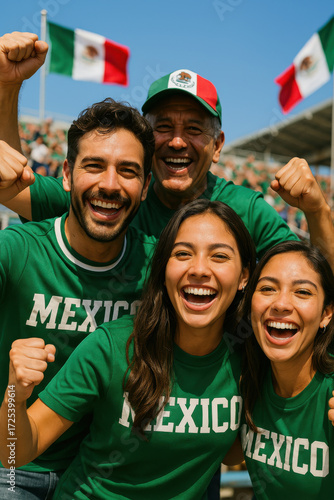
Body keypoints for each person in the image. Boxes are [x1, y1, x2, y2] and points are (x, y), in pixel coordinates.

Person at [0, 32, 333, 270]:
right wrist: (9, 86)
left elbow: (317, 286)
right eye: (163, 127)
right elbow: (10, 183)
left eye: (193, 129)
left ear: (217, 146)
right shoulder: (114, 194)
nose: (177, 141)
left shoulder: (249, 212)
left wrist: (317, 211)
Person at [0, 199, 256, 499]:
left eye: (219, 257)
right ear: (163, 269)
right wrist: (15, 393)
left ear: (244, 276)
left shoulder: (249, 358)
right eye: (183, 254)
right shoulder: (112, 346)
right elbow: (14, 453)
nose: (199, 269)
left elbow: (233, 453)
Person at [0, 98, 157, 498]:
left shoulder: (159, 266)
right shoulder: (17, 251)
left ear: (145, 187)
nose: (109, 184)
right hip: (11, 469)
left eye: (128, 171)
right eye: (94, 165)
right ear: (67, 174)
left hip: (101, 475)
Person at [225, 240, 334, 499]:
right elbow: (231, 455)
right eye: (267, 289)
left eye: (303, 292)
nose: (281, 304)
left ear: (326, 314)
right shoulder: (248, 379)